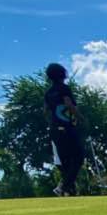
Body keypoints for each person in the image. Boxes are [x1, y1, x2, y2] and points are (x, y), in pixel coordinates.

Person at [44, 62, 83, 196]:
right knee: (78, 157)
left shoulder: (48, 93)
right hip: (67, 127)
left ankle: (69, 190)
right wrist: (81, 118)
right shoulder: (64, 89)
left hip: (55, 129)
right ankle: (64, 187)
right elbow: (69, 104)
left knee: (65, 161)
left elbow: (46, 111)